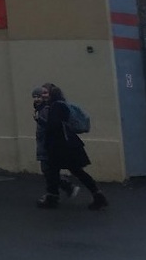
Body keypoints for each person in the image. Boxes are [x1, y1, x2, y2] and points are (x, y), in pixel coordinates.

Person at [35, 82, 108, 210]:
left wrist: (40, 120)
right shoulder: (57, 105)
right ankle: (97, 195)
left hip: (62, 146)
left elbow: (54, 126)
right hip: (66, 145)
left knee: (63, 171)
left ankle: (54, 197)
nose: (43, 95)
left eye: (45, 92)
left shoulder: (56, 106)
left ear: (52, 93)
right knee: (60, 171)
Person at [32, 87, 74, 199]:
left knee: (48, 170)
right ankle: (57, 190)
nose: (36, 99)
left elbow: (49, 125)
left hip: (47, 144)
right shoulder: (40, 109)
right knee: (48, 170)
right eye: (34, 97)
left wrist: (39, 120)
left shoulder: (46, 109)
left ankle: (62, 187)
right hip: (43, 143)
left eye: (39, 96)